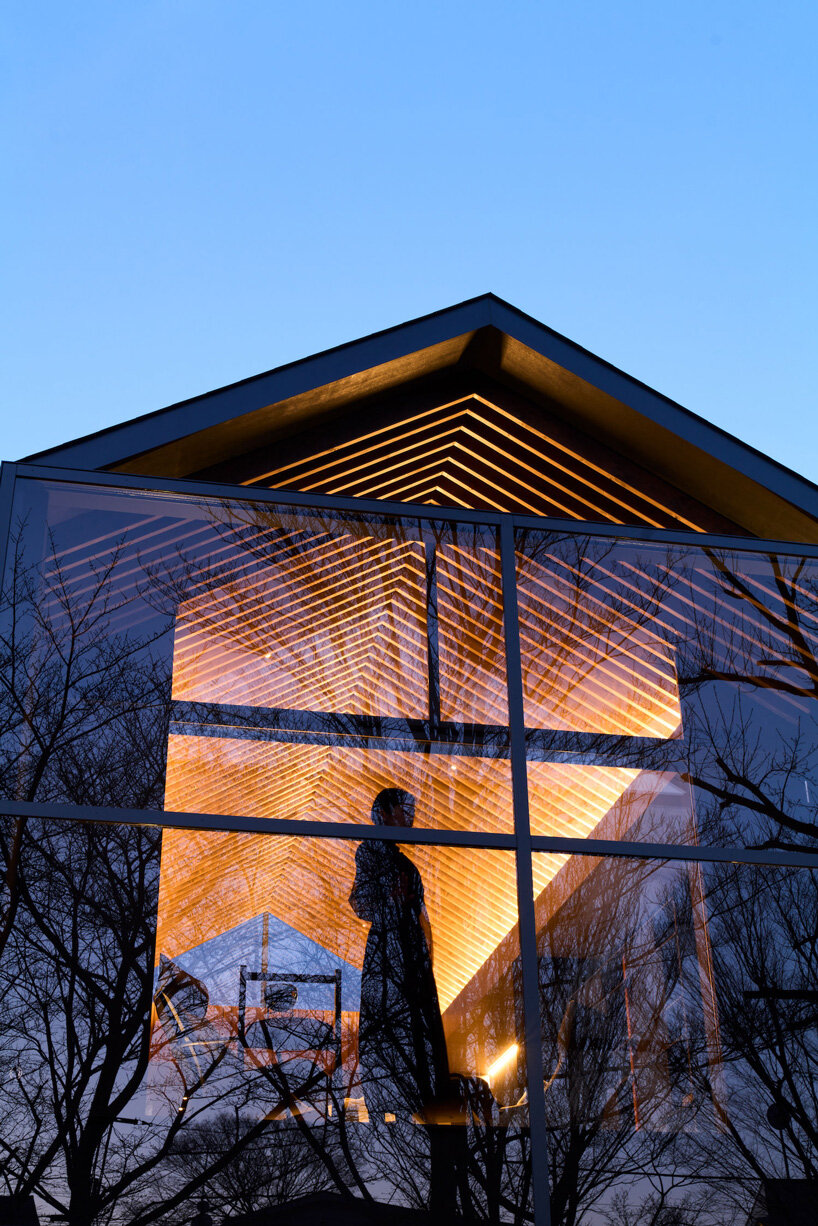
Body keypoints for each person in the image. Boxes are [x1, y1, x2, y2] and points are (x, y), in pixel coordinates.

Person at [349, 788, 456, 1215]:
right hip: (393, 948)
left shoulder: (402, 860)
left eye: (409, 810)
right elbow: (360, 900)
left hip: (410, 950)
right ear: (383, 813)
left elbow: (423, 916)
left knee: (419, 1035)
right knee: (397, 1032)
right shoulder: (373, 852)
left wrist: (424, 947)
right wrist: (394, 905)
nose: (409, 816)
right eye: (402, 809)